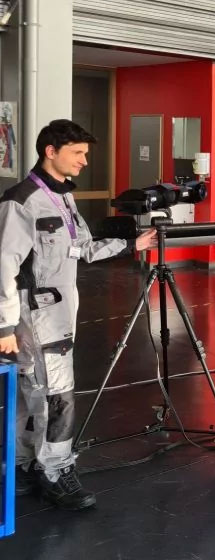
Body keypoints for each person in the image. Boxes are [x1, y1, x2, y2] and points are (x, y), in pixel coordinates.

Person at [0, 120, 157, 510]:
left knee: (33, 394)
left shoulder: (63, 198)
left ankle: (23, 465)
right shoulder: (21, 201)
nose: (85, 161)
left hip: (58, 314)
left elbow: (82, 248)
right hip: (35, 318)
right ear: (51, 152)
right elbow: (3, 266)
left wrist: (130, 244)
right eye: (78, 153)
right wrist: (4, 326)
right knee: (58, 396)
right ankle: (55, 472)